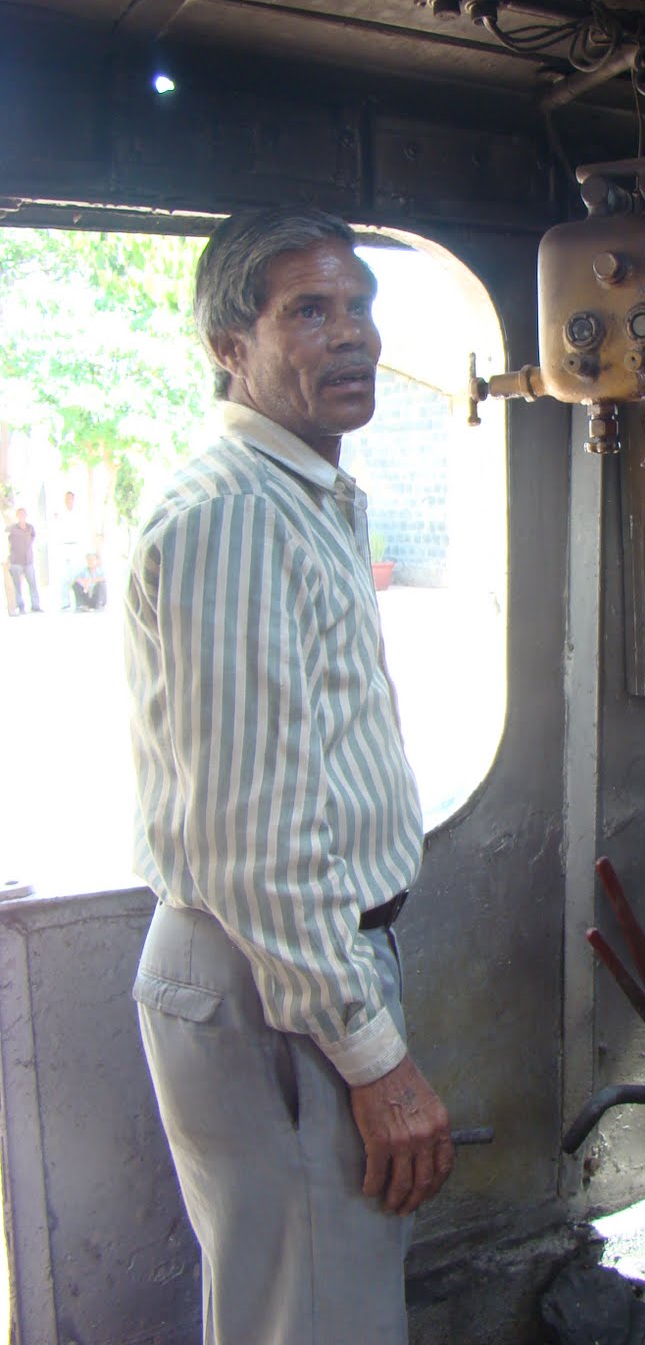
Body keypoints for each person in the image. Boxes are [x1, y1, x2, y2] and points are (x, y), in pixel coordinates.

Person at [125, 206, 453, 1345]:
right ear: (231, 346)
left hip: (295, 966)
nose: (351, 333)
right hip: (275, 981)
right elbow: (254, 841)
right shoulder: (234, 515)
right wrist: (373, 1057)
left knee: (303, 1309)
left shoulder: (296, 495)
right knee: (315, 1320)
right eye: (308, 311)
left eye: (359, 306)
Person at [6, 506, 42, 614]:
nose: (22, 516)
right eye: (20, 514)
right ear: (17, 516)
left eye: (23, 514)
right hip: (16, 561)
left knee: (33, 583)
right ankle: (20, 606)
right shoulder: (12, 528)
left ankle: (35, 606)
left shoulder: (30, 527)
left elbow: (33, 538)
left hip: (28, 560)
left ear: (26, 516)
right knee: (17, 585)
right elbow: (6, 538)